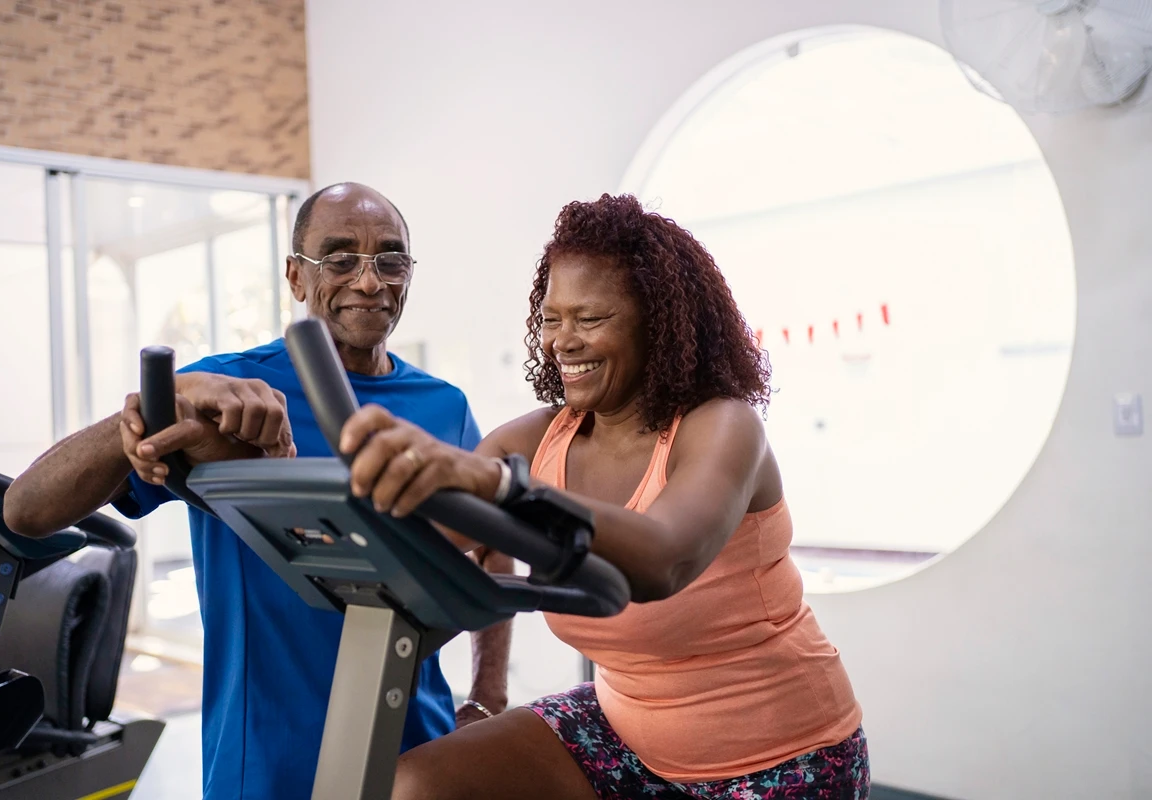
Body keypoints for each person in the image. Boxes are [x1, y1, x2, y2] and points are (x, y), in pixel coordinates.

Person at [334, 193, 869, 799]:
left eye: (589, 319)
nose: (563, 341)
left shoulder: (723, 426)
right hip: (628, 733)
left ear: (658, 325)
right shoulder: (535, 441)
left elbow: (666, 558)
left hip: (781, 756)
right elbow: (406, 546)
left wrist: (504, 488)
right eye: (552, 319)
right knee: (416, 786)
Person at [2, 183, 513, 800]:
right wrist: (155, 404)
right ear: (296, 277)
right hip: (265, 762)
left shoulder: (444, 405)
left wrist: (486, 697)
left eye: (390, 259)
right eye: (340, 259)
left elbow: (490, 544)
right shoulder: (226, 390)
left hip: (417, 751)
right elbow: (26, 510)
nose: (369, 281)